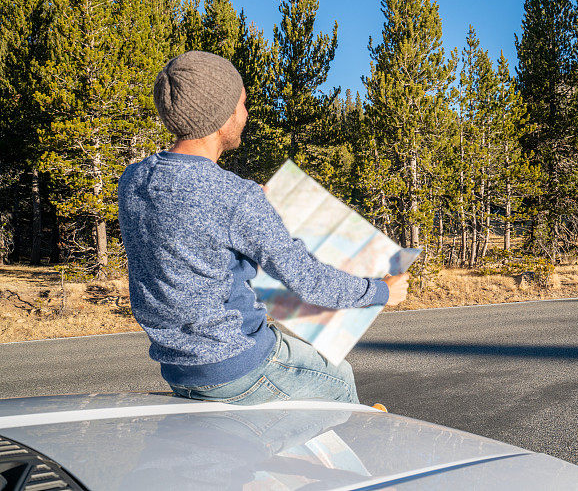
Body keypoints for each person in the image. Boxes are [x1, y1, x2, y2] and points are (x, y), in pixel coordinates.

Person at [117, 50, 409, 405]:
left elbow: (190, 230)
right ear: (220, 114)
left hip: (179, 368)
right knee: (338, 378)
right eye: (242, 103)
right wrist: (382, 292)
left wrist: (247, 202)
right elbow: (310, 282)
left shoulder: (133, 180)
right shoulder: (234, 198)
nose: (246, 114)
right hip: (237, 366)